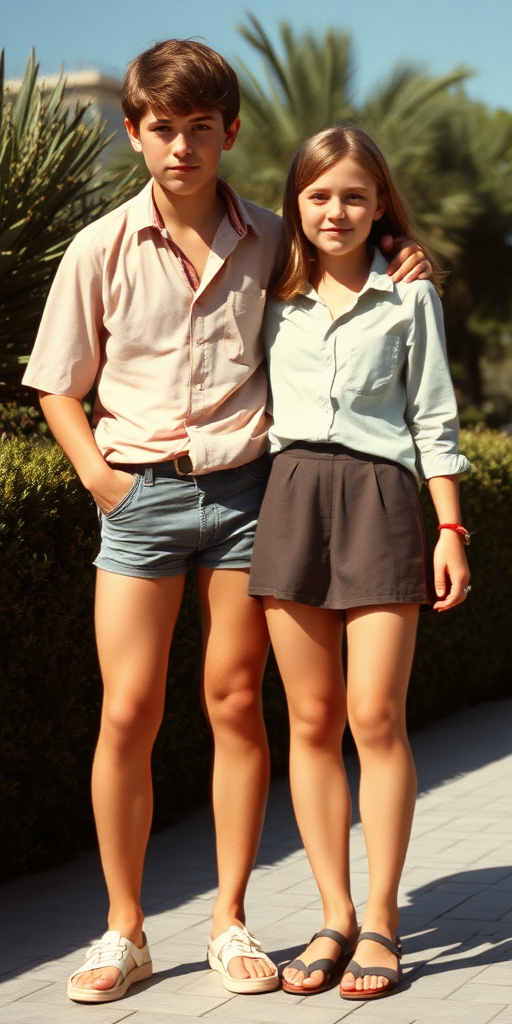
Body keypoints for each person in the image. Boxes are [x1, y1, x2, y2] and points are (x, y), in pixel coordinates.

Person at [22, 40, 432, 1004]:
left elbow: (348, 266)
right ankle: (124, 932)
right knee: (126, 711)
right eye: (161, 129)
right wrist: (101, 480)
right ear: (134, 133)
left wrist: (397, 251)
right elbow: (55, 382)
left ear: (229, 133)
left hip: (251, 499)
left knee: (237, 704)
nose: (180, 147)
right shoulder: (100, 246)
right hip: (139, 500)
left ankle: (229, 919)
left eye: (199, 129)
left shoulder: (273, 240)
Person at [248, 124, 471, 1001]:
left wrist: (451, 529)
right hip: (291, 495)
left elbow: (434, 418)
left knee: (375, 716)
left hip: (382, 500)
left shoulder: (410, 295)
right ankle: (333, 913)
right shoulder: (269, 287)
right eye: (318, 195)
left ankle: (382, 917)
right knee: (310, 721)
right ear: (294, 204)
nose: (334, 210)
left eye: (354, 195)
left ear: (381, 206)